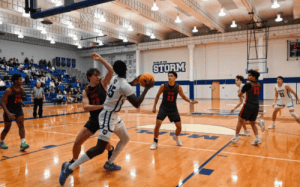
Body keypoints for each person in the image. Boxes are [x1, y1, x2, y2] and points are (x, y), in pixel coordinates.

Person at [59, 60, 153, 186]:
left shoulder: (115, 79)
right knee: (99, 148)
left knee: (125, 138)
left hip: (112, 115)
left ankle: (110, 163)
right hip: (108, 115)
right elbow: (136, 103)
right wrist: (146, 89)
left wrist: (133, 82)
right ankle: (69, 167)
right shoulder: (123, 84)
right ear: (126, 70)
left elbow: (124, 86)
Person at [68, 53, 115, 165]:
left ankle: (110, 149)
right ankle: (74, 161)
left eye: (98, 75)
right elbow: (85, 107)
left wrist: (101, 59)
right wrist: (102, 106)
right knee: (77, 142)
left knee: (104, 144)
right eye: (95, 75)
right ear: (89, 77)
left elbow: (111, 71)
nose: (98, 77)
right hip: (93, 120)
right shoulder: (86, 91)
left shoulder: (103, 83)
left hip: (105, 119)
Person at [150, 71, 198, 149]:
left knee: (179, 127)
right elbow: (157, 96)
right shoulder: (163, 86)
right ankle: (155, 142)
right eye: (169, 76)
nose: (169, 77)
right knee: (158, 123)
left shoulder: (178, 87)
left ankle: (176, 137)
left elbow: (183, 96)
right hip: (164, 107)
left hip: (173, 109)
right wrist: (154, 107)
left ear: (175, 77)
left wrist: (190, 101)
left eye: (171, 76)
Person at [231, 70, 264, 145]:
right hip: (256, 105)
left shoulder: (248, 85)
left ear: (254, 77)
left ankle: (236, 137)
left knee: (240, 120)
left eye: (249, 75)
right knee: (252, 123)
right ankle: (257, 138)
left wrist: (240, 91)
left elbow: (240, 95)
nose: (248, 76)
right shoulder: (259, 84)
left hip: (248, 104)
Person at [0, 74, 29, 150]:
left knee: (21, 124)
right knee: (7, 128)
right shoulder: (9, 90)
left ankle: (23, 143)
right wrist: (8, 113)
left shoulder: (21, 89)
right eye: (20, 80)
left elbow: (18, 98)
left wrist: (22, 103)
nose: (22, 81)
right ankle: (1, 141)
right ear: (15, 81)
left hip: (18, 109)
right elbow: (2, 102)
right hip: (9, 109)